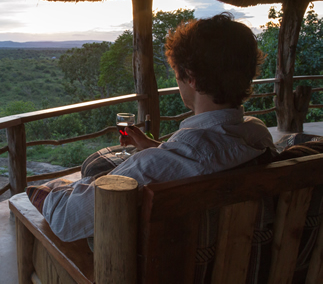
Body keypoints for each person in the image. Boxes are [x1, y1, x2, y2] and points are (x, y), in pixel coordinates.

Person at [42, 13, 275, 242]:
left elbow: (66, 220)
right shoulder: (257, 134)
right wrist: (156, 146)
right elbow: (203, 155)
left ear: (191, 77)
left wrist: (55, 189)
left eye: (177, 75)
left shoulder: (150, 167)